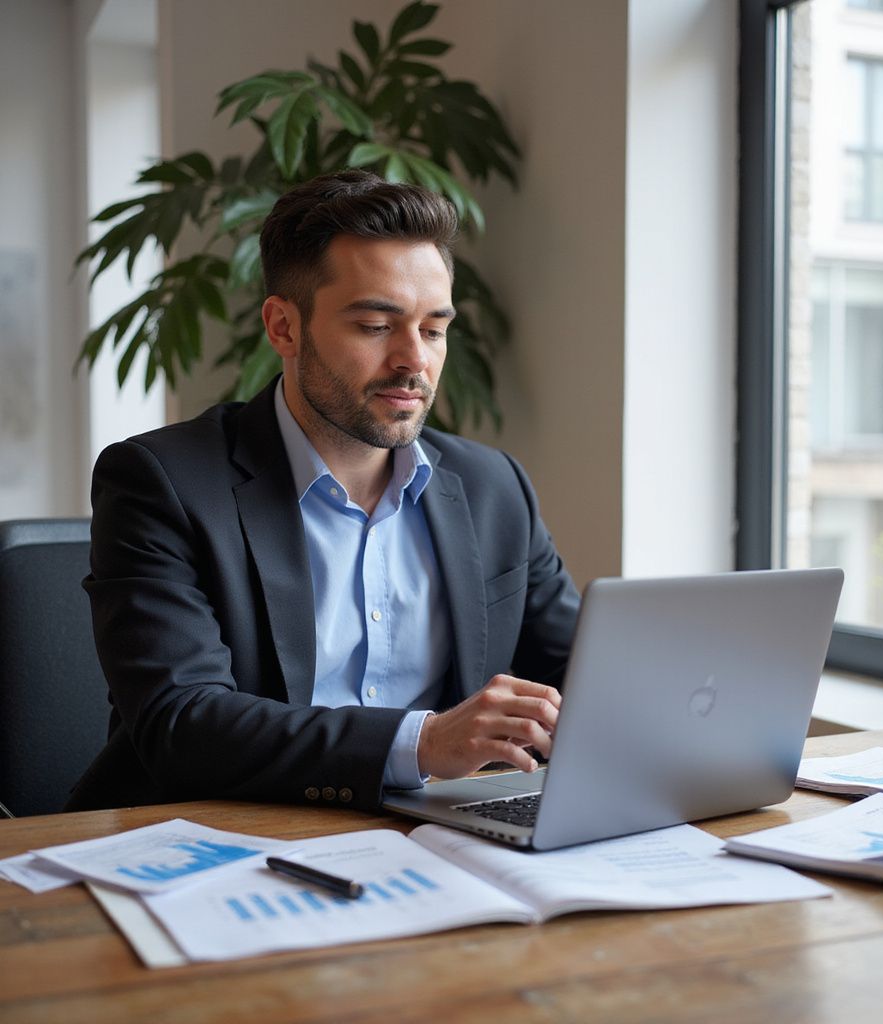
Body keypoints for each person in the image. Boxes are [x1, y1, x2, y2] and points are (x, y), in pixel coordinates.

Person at [67, 170, 580, 813]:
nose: (413, 360)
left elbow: (581, 677)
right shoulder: (160, 483)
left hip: (440, 841)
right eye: (375, 326)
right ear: (283, 327)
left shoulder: (492, 488)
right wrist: (423, 743)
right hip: (219, 843)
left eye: (433, 329)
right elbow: (183, 723)